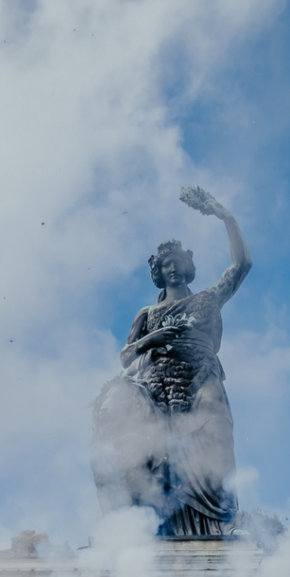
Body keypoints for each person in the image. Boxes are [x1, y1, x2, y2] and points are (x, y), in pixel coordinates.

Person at [92, 186, 251, 535]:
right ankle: (163, 525)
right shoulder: (147, 313)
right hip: (160, 386)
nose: (174, 269)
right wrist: (154, 338)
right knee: (158, 455)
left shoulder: (208, 298)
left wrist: (226, 217)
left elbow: (242, 265)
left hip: (203, 376)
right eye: (167, 265)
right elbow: (125, 356)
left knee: (218, 437)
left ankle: (218, 523)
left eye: (179, 263)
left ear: (188, 266)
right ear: (159, 272)